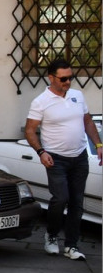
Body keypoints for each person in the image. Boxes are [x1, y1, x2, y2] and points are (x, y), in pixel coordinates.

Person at [24, 58, 103, 260]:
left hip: (79, 157)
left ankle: (71, 246)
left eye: (70, 78)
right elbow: (30, 131)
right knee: (61, 198)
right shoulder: (41, 102)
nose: (68, 82)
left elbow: (87, 121)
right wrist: (41, 152)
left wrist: (99, 145)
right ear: (51, 78)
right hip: (55, 159)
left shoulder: (77, 95)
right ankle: (51, 236)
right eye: (63, 79)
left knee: (77, 202)